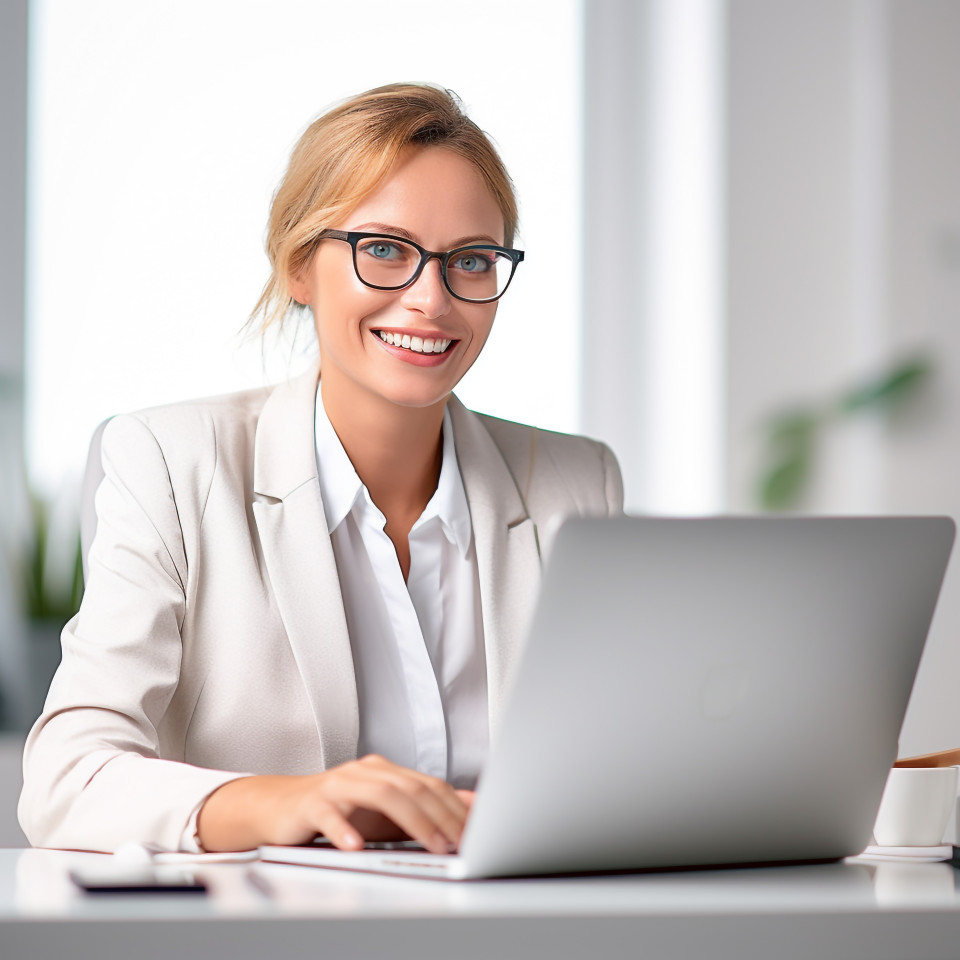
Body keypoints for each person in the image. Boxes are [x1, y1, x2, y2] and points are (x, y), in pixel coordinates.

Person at [19, 83, 623, 854]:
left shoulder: (577, 482)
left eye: (471, 260)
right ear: (299, 266)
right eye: (384, 250)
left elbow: (611, 765)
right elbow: (65, 781)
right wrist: (287, 803)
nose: (431, 300)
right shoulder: (171, 463)